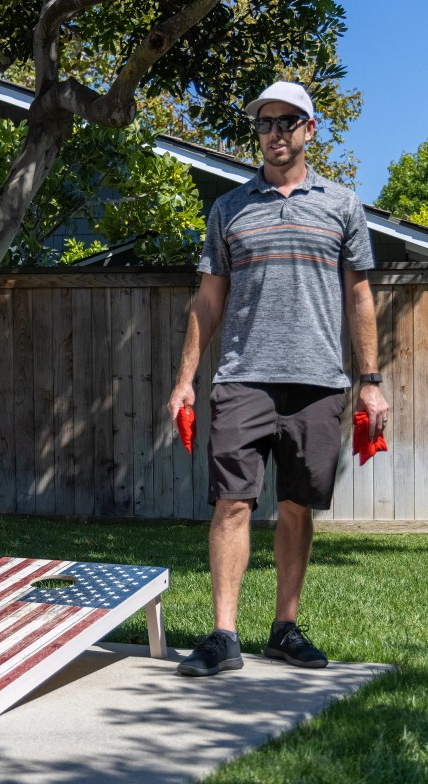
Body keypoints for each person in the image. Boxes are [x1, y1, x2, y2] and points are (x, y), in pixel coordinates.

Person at [167, 81, 388, 677]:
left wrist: (370, 380)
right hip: (243, 377)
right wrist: (185, 379)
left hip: (319, 380)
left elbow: (360, 296)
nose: (276, 132)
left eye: (288, 121)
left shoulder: (342, 206)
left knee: (296, 507)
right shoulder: (229, 209)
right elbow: (208, 301)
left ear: (310, 129)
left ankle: (284, 628)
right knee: (232, 505)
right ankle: (223, 635)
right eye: (265, 123)